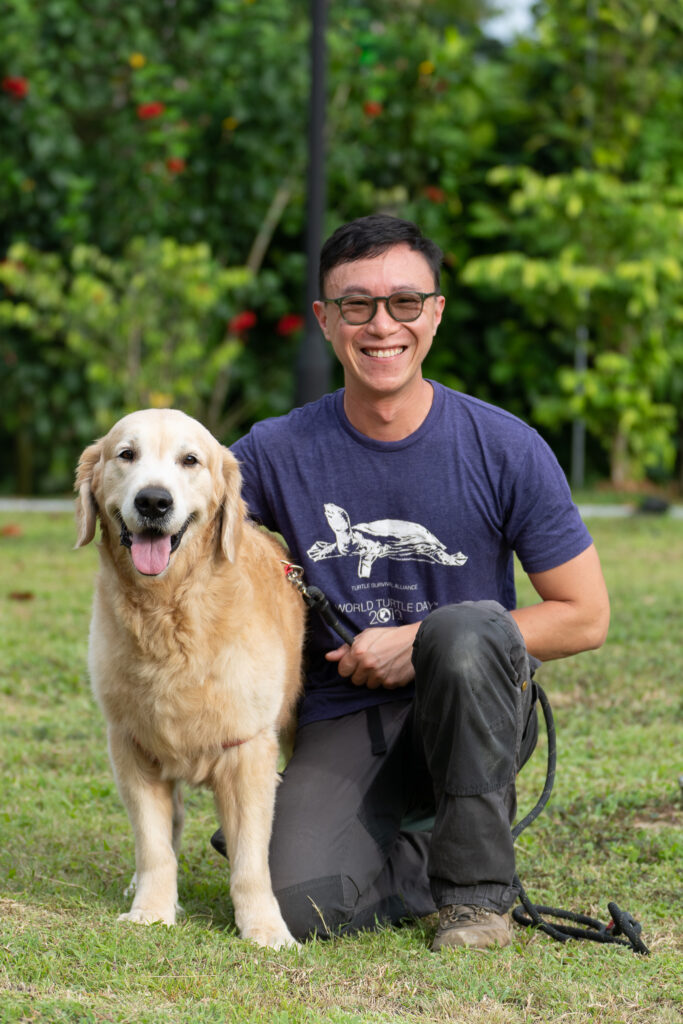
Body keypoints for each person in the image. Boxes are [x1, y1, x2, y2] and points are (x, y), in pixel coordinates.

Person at [211, 214, 610, 950]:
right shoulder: (273, 450)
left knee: (458, 633)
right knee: (298, 905)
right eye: (356, 305)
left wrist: (417, 639)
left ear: (434, 313)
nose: (380, 325)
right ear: (325, 322)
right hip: (343, 716)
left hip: (471, 702)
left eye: (403, 302)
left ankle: (477, 900)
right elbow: (192, 524)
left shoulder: (504, 447)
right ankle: (415, 851)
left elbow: (584, 616)